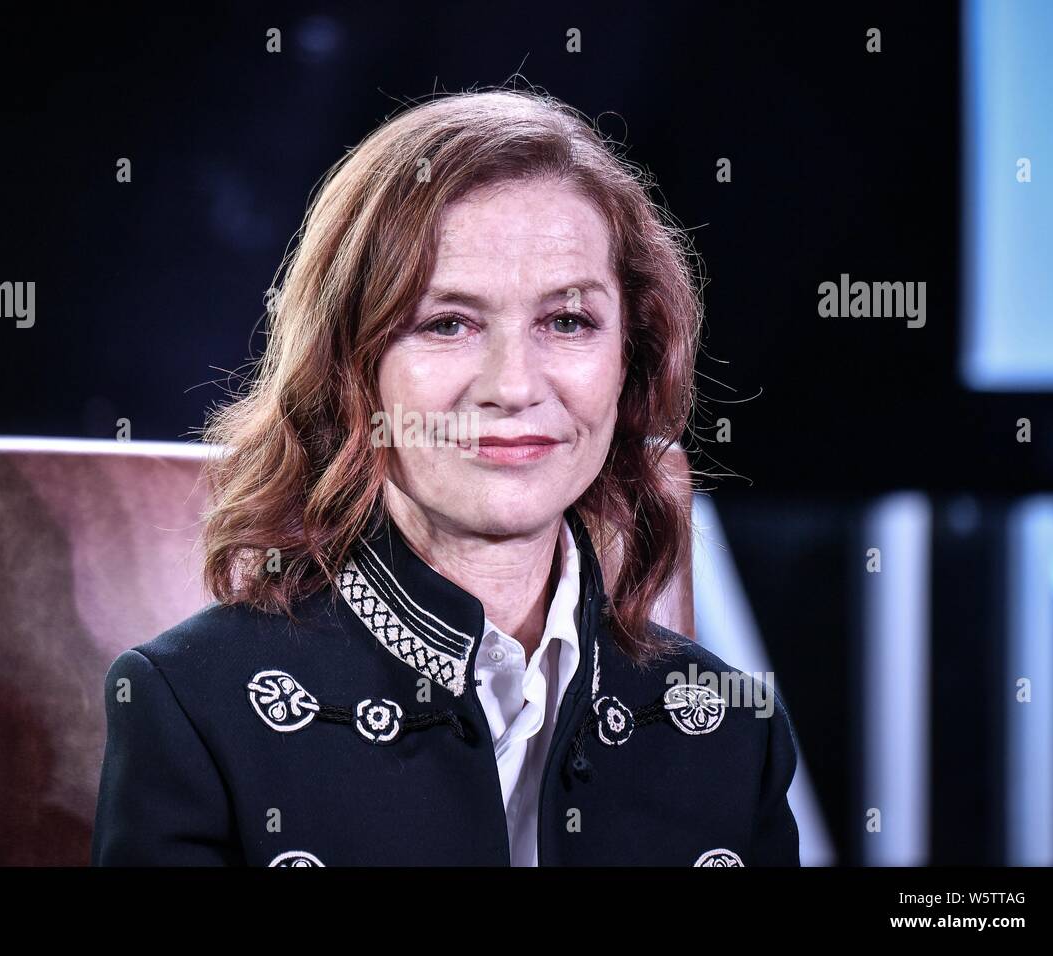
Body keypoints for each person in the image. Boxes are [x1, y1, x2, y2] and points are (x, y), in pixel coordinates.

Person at [91, 87, 800, 866]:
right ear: (350, 370)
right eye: (448, 323)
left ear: (631, 359)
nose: (513, 385)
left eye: (567, 321)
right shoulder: (190, 708)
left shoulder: (738, 732)